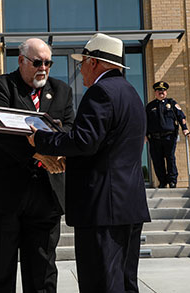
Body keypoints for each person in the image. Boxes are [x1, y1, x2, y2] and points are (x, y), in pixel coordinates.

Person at [27, 33, 151, 293]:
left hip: (103, 209)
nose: (80, 69)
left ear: (94, 62)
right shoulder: (131, 93)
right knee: (125, 283)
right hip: (128, 205)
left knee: (101, 283)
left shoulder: (101, 92)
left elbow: (84, 141)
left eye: (81, 62)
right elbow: (106, 147)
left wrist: (42, 140)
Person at [0, 38, 75, 292]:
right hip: (5, 196)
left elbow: (70, 129)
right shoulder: (1, 86)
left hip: (46, 196)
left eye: (48, 63)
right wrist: (41, 153)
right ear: (21, 61)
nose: (44, 68)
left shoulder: (62, 90)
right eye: (38, 62)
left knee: (43, 271)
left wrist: (54, 139)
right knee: (0, 270)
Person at [145, 81, 190, 188]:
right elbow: (145, 122)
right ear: (155, 92)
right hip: (154, 138)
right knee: (157, 160)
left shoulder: (172, 104)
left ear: (166, 92)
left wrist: (185, 129)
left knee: (170, 159)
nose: (161, 92)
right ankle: (162, 182)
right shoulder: (150, 106)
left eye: (163, 90)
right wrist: (144, 134)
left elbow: (181, 117)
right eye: (159, 91)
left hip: (169, 137)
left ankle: (172, 181)